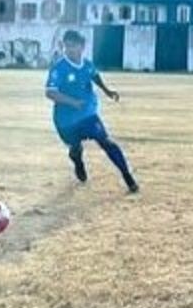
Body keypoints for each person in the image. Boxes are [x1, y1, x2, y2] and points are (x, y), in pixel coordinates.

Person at [45, 30, 139, 194]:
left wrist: (107, 91)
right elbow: (50, 92)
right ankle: (77, 161)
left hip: (88, 115)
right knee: (75, 148)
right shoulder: (59, 68)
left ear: (82, 47)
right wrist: (73, 102)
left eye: (72, 46)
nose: (69, 50)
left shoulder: (87, 65)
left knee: (106, 142)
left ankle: (128, 177)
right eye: (66, 46)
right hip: (65, 121)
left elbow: (95, 75)